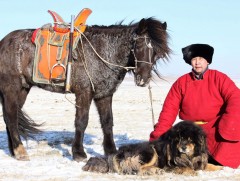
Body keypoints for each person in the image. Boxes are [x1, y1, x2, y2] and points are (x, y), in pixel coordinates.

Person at [149, 43, 240, 168]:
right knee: (173, 153)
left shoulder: (220, 78)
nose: (197, 62)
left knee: (225, 153)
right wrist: (157, 137)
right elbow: (169, 109)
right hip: (190, 131)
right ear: (190, 62)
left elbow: (236, 98)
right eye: (194, 59)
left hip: (215, 128)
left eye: (201, 59)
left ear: (207, 61)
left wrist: (228, 123)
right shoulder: (181, 82)